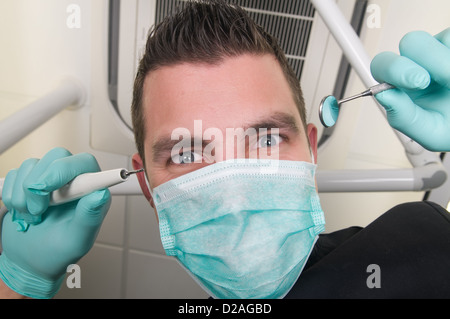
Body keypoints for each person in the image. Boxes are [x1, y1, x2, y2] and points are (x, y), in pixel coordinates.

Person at [1, 0, 449, 299]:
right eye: (187, 154)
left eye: (267, 140)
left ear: (310, 151)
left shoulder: (423, 246)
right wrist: (20, 282)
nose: (234, 196)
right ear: (147, 186)